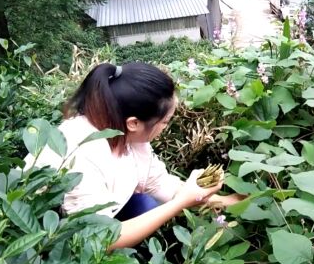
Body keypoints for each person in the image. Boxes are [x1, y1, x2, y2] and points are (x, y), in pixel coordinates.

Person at [24, 62, 243, 250]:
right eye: (165, 122)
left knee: (146, 204)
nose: (165, 127)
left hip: (98, 217)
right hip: (46, 240)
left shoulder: (125, 132)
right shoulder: (82, 153)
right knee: (144, 214)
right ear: (134, 123)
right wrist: (182, 202)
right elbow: (99, 238)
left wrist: (224, 200)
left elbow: (161, 185)